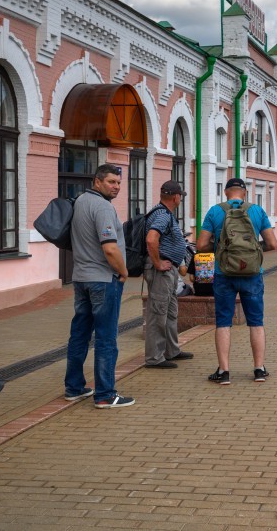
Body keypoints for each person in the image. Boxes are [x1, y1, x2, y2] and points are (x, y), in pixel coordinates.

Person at [64, 163, 134, 408]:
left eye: (118, 183)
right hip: (103, 280)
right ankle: (105, 394)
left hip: (81, 277)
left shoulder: (80, 201)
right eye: (111, 182)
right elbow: (109, 248)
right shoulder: (103, 207)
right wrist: (124, 271)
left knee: (79, 334)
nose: (116, 187)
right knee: (106, 338)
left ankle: (73, 387)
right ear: (97, 181)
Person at [197, 178, 277, 384]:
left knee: (223, 322)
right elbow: (273, 243)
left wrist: (219, 250)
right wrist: (254, 253)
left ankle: (224, 372)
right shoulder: (257, 211)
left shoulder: (215, 212)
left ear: (225, 193)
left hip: (224, 274)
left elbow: (201, 245)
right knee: (256, 322)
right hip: (252, 274)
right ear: (244, 193)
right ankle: (259, 369)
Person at [142, 180, 194, 369]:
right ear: (175, 197)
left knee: (170, 312)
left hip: (169, 269)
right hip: (160, 271)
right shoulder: (163, 215)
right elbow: (151, 239)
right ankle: (154, 358)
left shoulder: (164, 213)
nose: (181, 199)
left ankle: (172, 350)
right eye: (181, 196)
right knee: (158, 313)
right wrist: (157, 262)